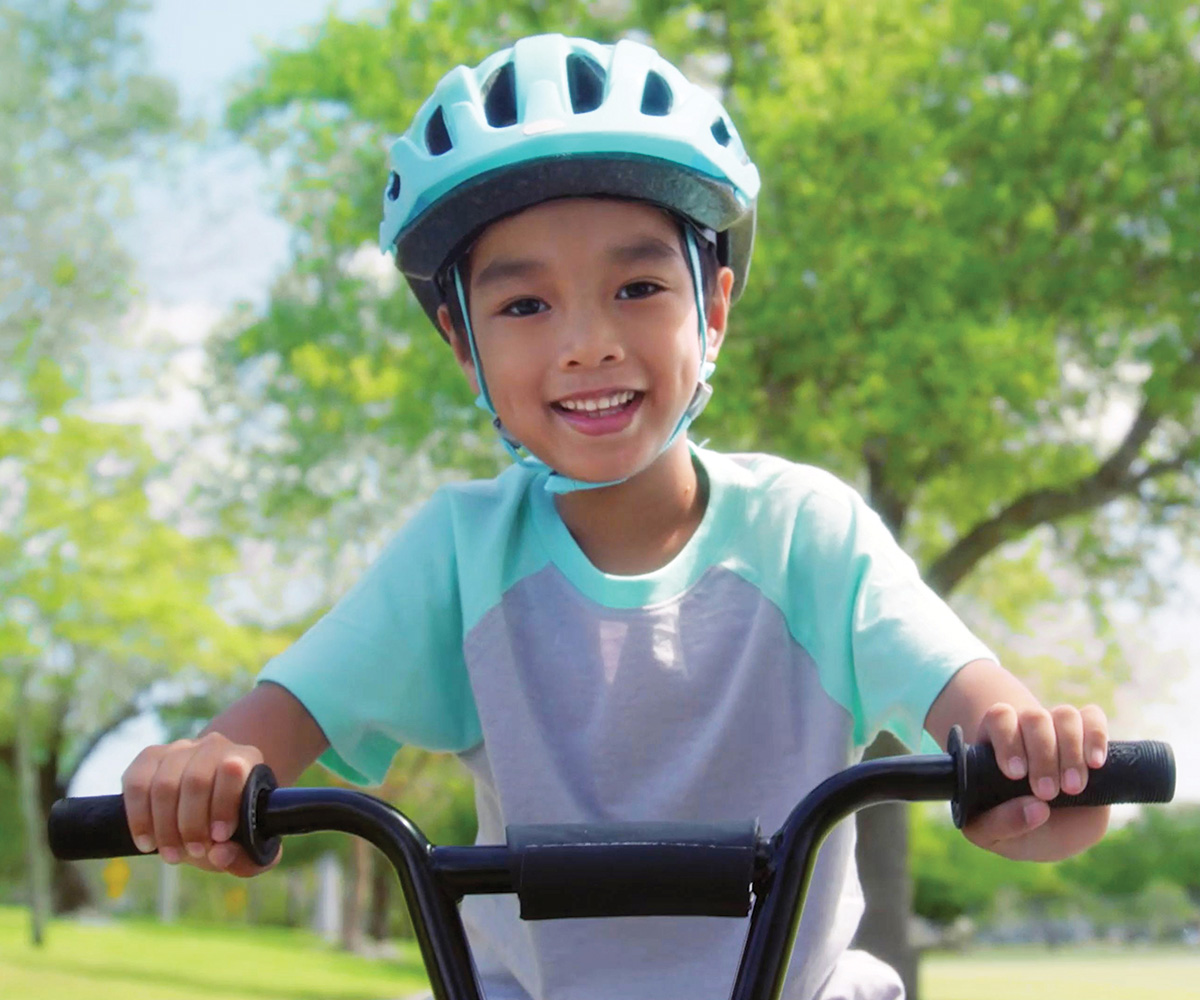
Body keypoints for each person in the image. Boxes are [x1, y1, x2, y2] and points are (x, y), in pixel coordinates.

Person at [120, 33, 1111, 1000]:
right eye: (524, 307)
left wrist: (1038, 774)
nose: (589, 342)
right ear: (463, 346)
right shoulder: (459, 558)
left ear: (713, 311)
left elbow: (1011, 749)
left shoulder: (814, 538)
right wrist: (210, 783)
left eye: (638, 287)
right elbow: (255, 752)